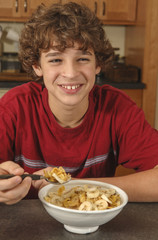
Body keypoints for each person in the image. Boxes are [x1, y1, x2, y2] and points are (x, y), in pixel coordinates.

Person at [0, 2, 158, 205]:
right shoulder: (14, 107)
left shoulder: (117, 108)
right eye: (55, 60)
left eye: (82, 58)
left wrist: (73, 185)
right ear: (37, 66)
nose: (71, 73)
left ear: (97, 64)